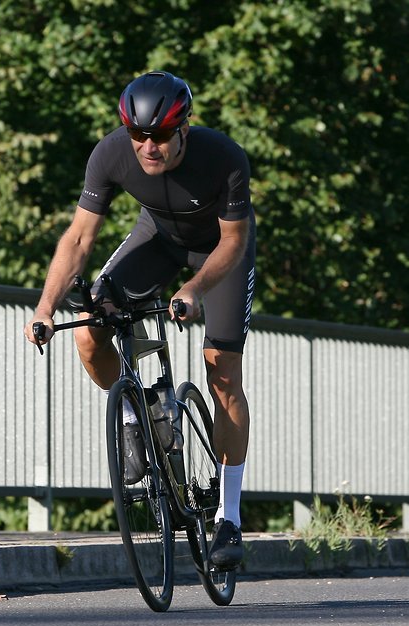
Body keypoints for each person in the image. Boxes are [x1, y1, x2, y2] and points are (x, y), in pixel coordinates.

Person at [24, 71, 255, 568]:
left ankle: (229, 519)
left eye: (161, 135)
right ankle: (135, 417)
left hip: (219, 251)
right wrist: (44, 308)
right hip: (159, 238)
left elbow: (233, 242)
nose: (149, 146)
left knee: (224, 375)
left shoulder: (224, 157)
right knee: (88, 329)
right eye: (138, 135)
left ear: (184, 130)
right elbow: (80, 239)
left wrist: (194, 290)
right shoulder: (110, 154)